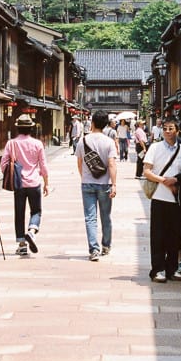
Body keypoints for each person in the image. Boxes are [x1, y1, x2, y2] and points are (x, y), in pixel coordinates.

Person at [143, 116, 181, 282]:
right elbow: (147, 171)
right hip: (159, 196)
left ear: (177, 131)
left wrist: (177, 181)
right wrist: (165, 181)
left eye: (171, 128)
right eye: (165, 128)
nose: (167, 131)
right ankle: (157, 269)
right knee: (158, 235)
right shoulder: (155, 147)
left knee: (174, 235)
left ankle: (172, 269)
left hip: (176, 199)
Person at [1, 114, 49, 255]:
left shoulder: (11, 143)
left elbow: (3, 164)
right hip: (34, 182)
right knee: (36, 211)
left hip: (19, 184)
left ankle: (22, 244)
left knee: (19, 213)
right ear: (31, 128)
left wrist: (11, 175)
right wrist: (46, 183)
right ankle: (32, 231)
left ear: (18, 128)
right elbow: (43, 165)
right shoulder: (38, 144)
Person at [76, 109, 117, 261]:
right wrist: (114, 184)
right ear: (106, 125)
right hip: (104, 184)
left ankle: (94, 249)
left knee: (90, 218)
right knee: (105, 216)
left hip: (87, 183)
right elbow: (111, 164)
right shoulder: (109, 142)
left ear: (92, 123)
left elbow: (79, 162)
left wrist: (84, 177)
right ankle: (106, 245)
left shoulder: (83, 141)